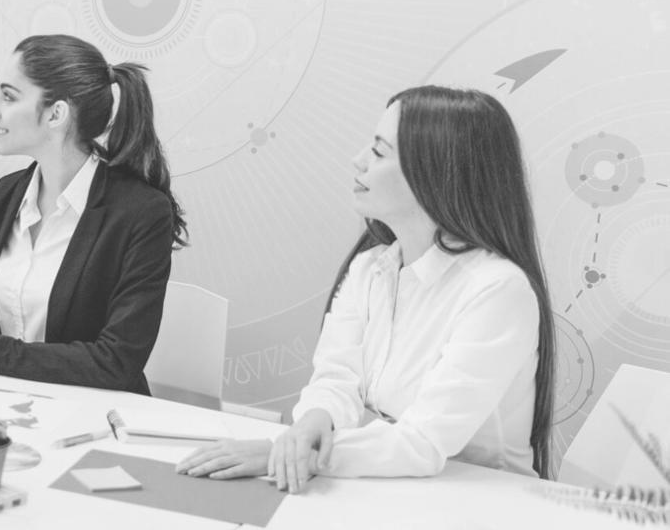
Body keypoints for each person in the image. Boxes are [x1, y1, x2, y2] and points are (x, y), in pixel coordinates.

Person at [177, 86, 555, 492]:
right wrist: (312, 423)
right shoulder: (370, 268)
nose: (357, 161)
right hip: (395, 488)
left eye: (378, 152)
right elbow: (337, 378)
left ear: (433, 172)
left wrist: (286, 454)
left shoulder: (498, 291)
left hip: (486, 501)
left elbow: (423, 442)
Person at [0, 33, 187, 393]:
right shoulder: (8, 194)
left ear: (56, 113)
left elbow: (116, 363)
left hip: (94, 415)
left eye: (9, 96)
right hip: (13, 403)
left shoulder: (142, 213)